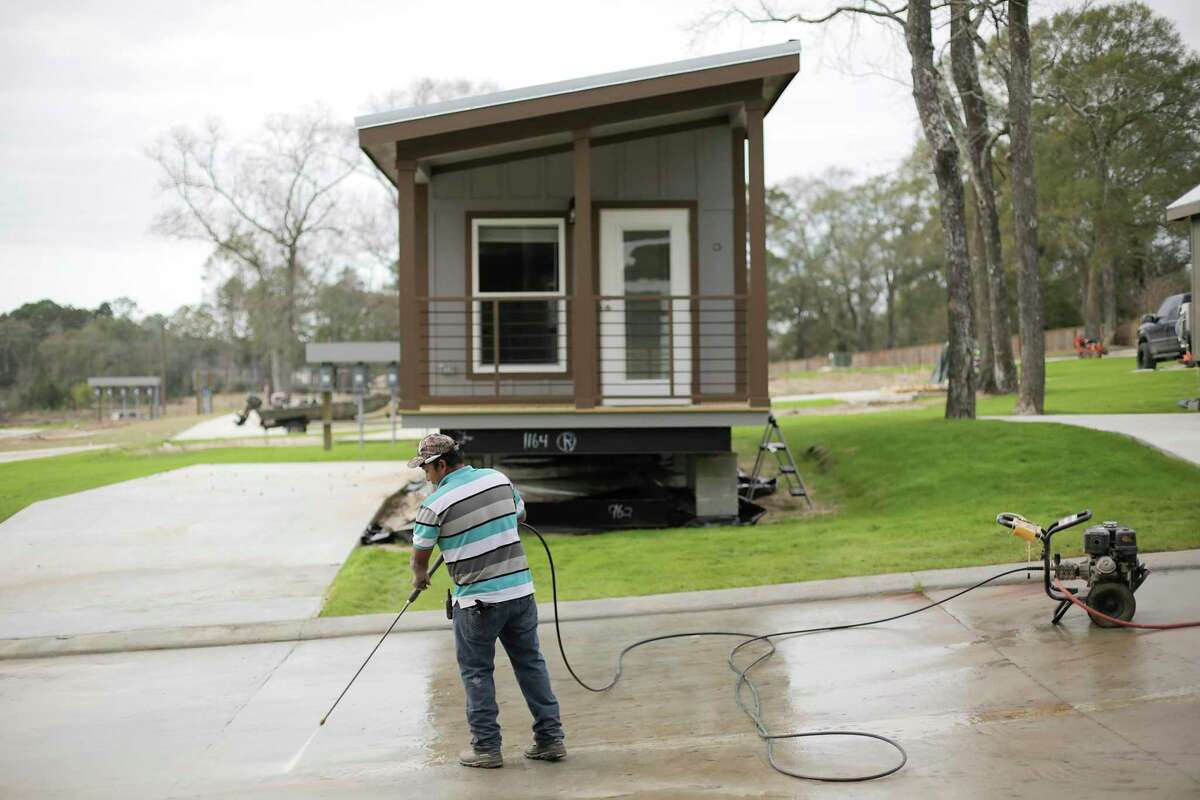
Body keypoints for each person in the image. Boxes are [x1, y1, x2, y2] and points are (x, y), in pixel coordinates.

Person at [408, 433, 566, 769]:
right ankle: (551, 740)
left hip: (478, 603)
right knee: (530, 663)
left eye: (426, 468)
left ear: (441, 465)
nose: (426, 476)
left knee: (477, 672)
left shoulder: (434, 505)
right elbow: (519, 514)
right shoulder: (498, 479)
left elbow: (420, 554)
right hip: (520, 593)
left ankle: (486, 749)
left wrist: (420, 578)